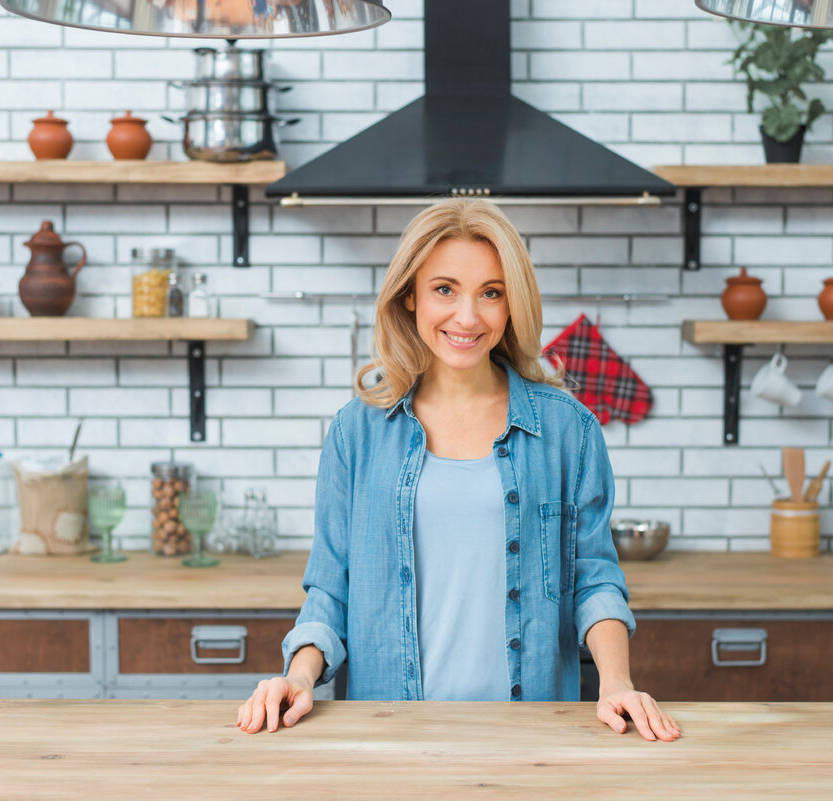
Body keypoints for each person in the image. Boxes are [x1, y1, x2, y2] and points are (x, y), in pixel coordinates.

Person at [237, 199, 680, 742]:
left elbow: (594, 578)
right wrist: (298, 677)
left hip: (532, 738)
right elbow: (330, 588)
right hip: (392, 737)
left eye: (491, 293)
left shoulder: (569, 430)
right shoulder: (357, 432)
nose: (467, 318)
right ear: (410, 295)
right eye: (445, 289)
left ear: (512, 304)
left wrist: (616, 683)